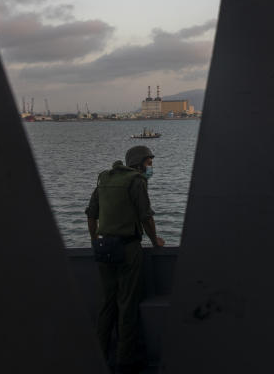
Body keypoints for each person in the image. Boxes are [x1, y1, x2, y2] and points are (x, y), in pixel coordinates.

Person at [86, 144, 165, 374]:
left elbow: (91, 215)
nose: (151, 167)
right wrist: (154, 240)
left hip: (104, 248)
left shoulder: (104, 179)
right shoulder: (137, 181)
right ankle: (125, 361)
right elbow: (146, 217)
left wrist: (95, 241)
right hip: (128, 249)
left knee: (107, 305)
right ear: (139, 163)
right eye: (149, 163)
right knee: (127, 304)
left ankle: (99, 355)